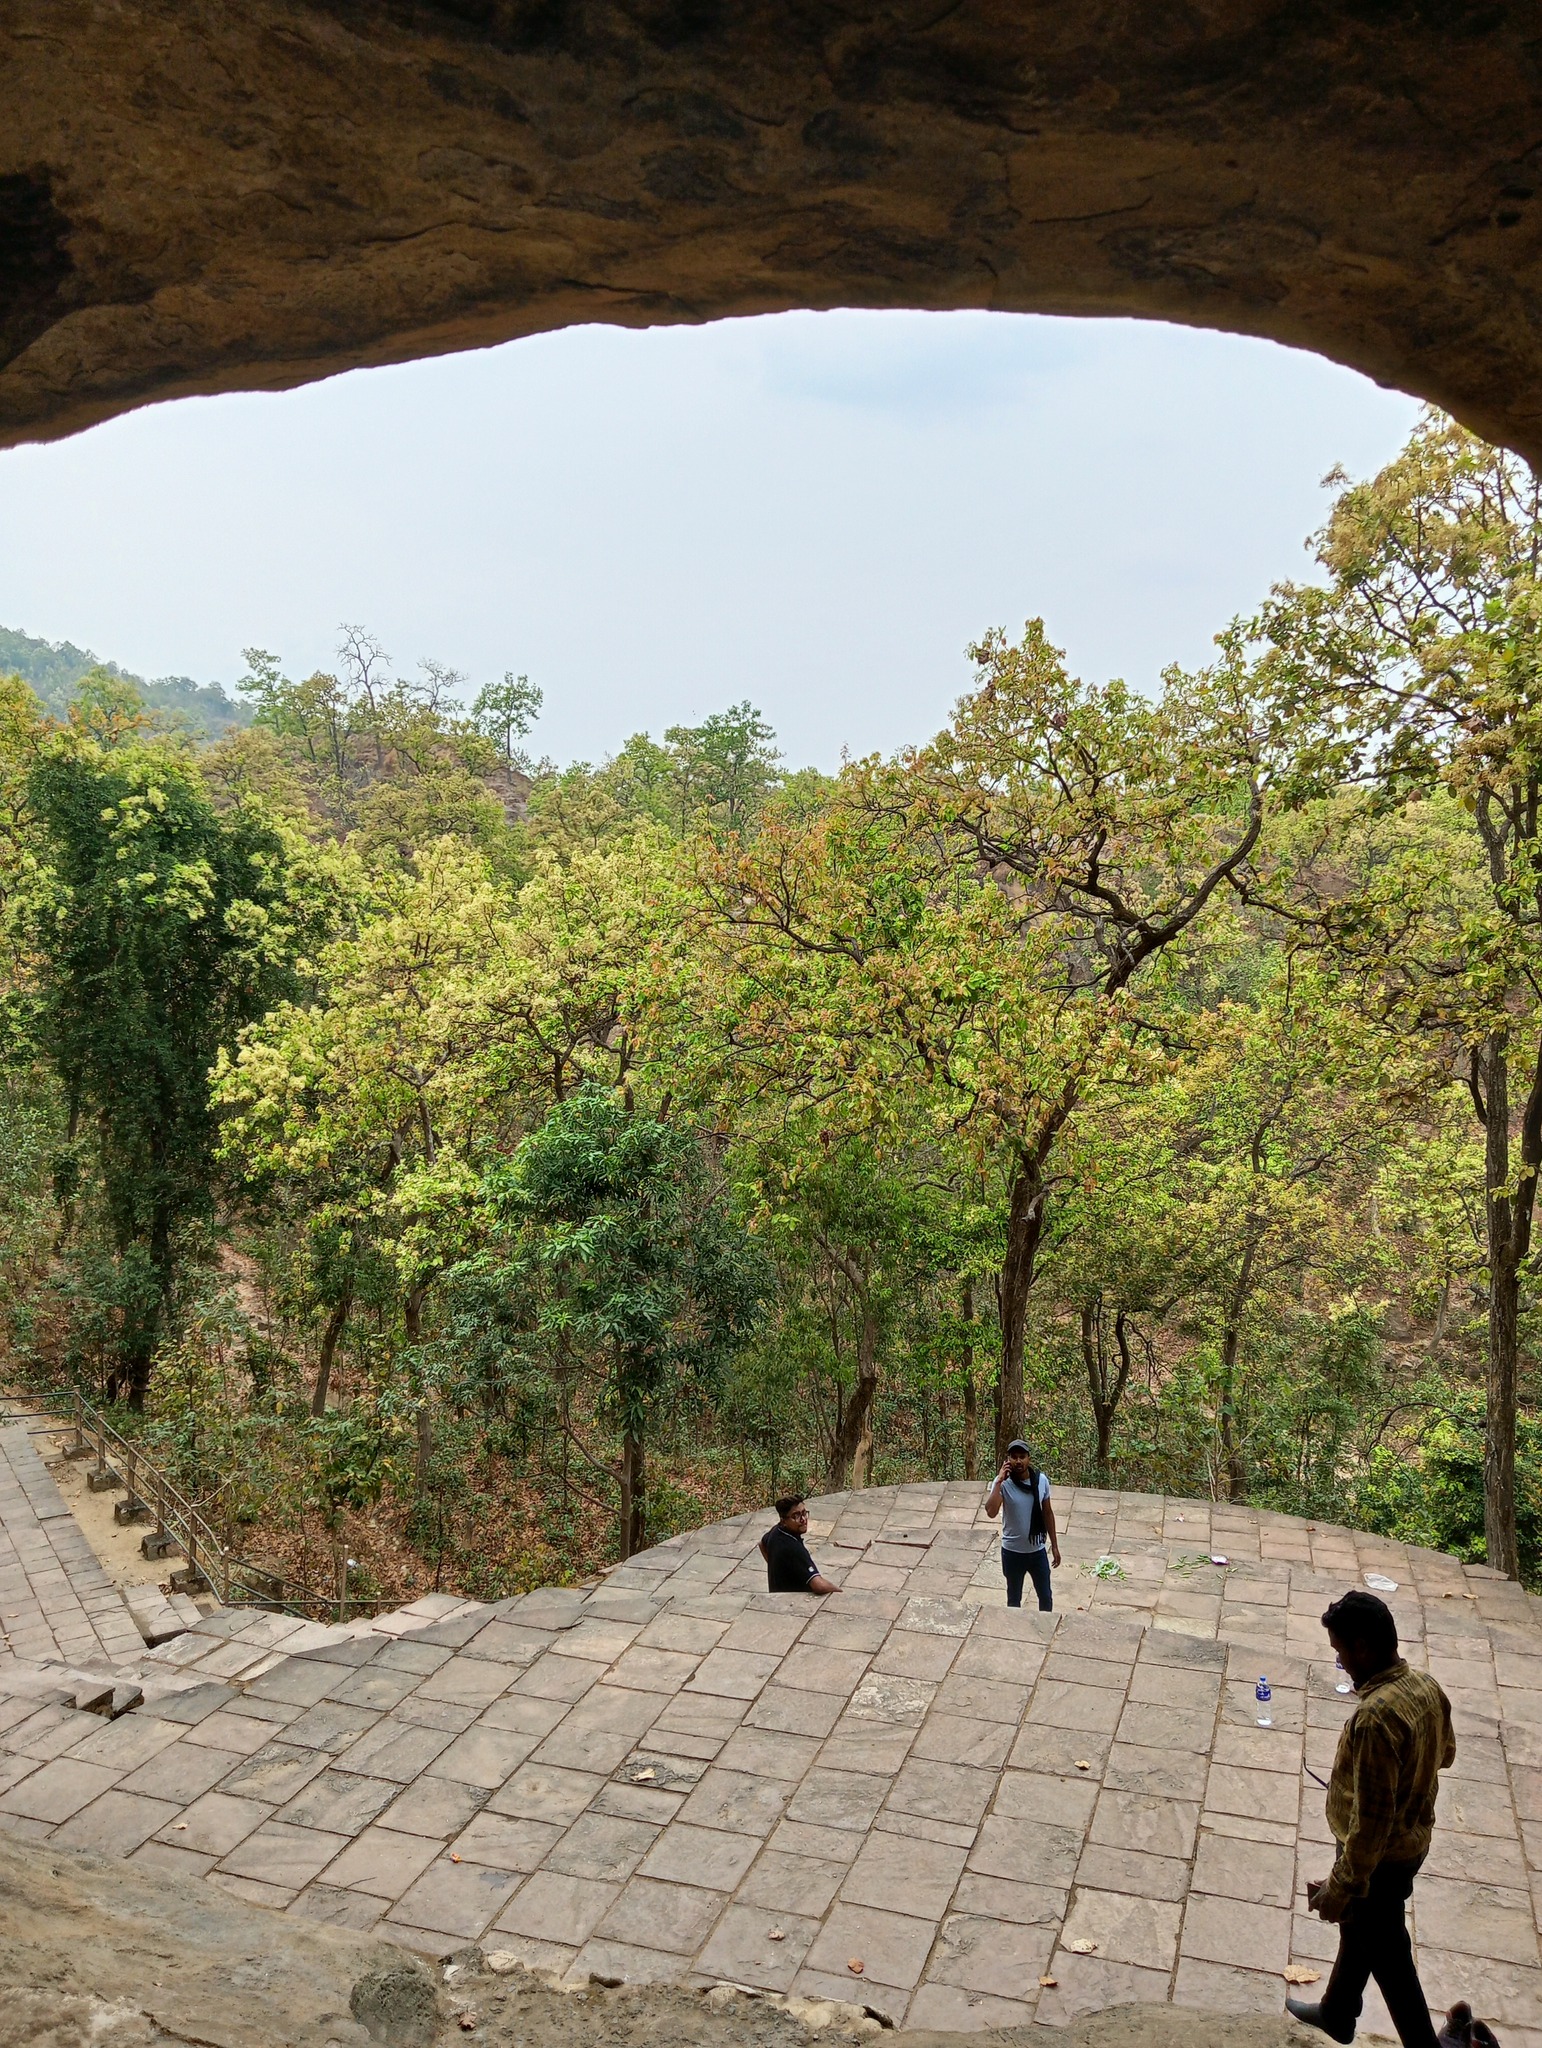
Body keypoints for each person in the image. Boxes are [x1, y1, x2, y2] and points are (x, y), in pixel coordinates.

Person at [1289, 1589, 1457, 2048]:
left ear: (1362, 1647)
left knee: (1389, 1954)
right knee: (1361, 1931)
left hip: (1381, 1859)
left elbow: (1371, 1827)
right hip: (1413, 1843)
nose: (1340, 1662)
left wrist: (1339, 1888)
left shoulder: (1375, 1719)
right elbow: (1446, 1755)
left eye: (1341, 1652)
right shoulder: (1426, 1687)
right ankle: (1337, 2011)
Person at [984, 1439, 1060, 1609]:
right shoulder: (1003, 1484)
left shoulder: (1041, 1481)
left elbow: (1047, 1512)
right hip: (1013, 1553)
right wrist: (999, 1482)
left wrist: (1054, 1545)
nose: (1018, 1461)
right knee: (1013, 1599)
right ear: (1008, 1460)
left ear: (1029, 1459)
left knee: (1046, 1597)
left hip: (1037, 1550)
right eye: (1014, 1457)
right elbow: (991, 1512)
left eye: (1022, 1457)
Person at [759, 1495, 839, 1595]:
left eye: (804, 1513)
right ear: (784, 1521)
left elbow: (762, 1544)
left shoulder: (776, 1530)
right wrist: (840, 1592)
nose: (803, 1519)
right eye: (796, 1516)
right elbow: (819, 1585)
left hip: (776, 1595)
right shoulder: (793, 1548)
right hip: (791, 1602)